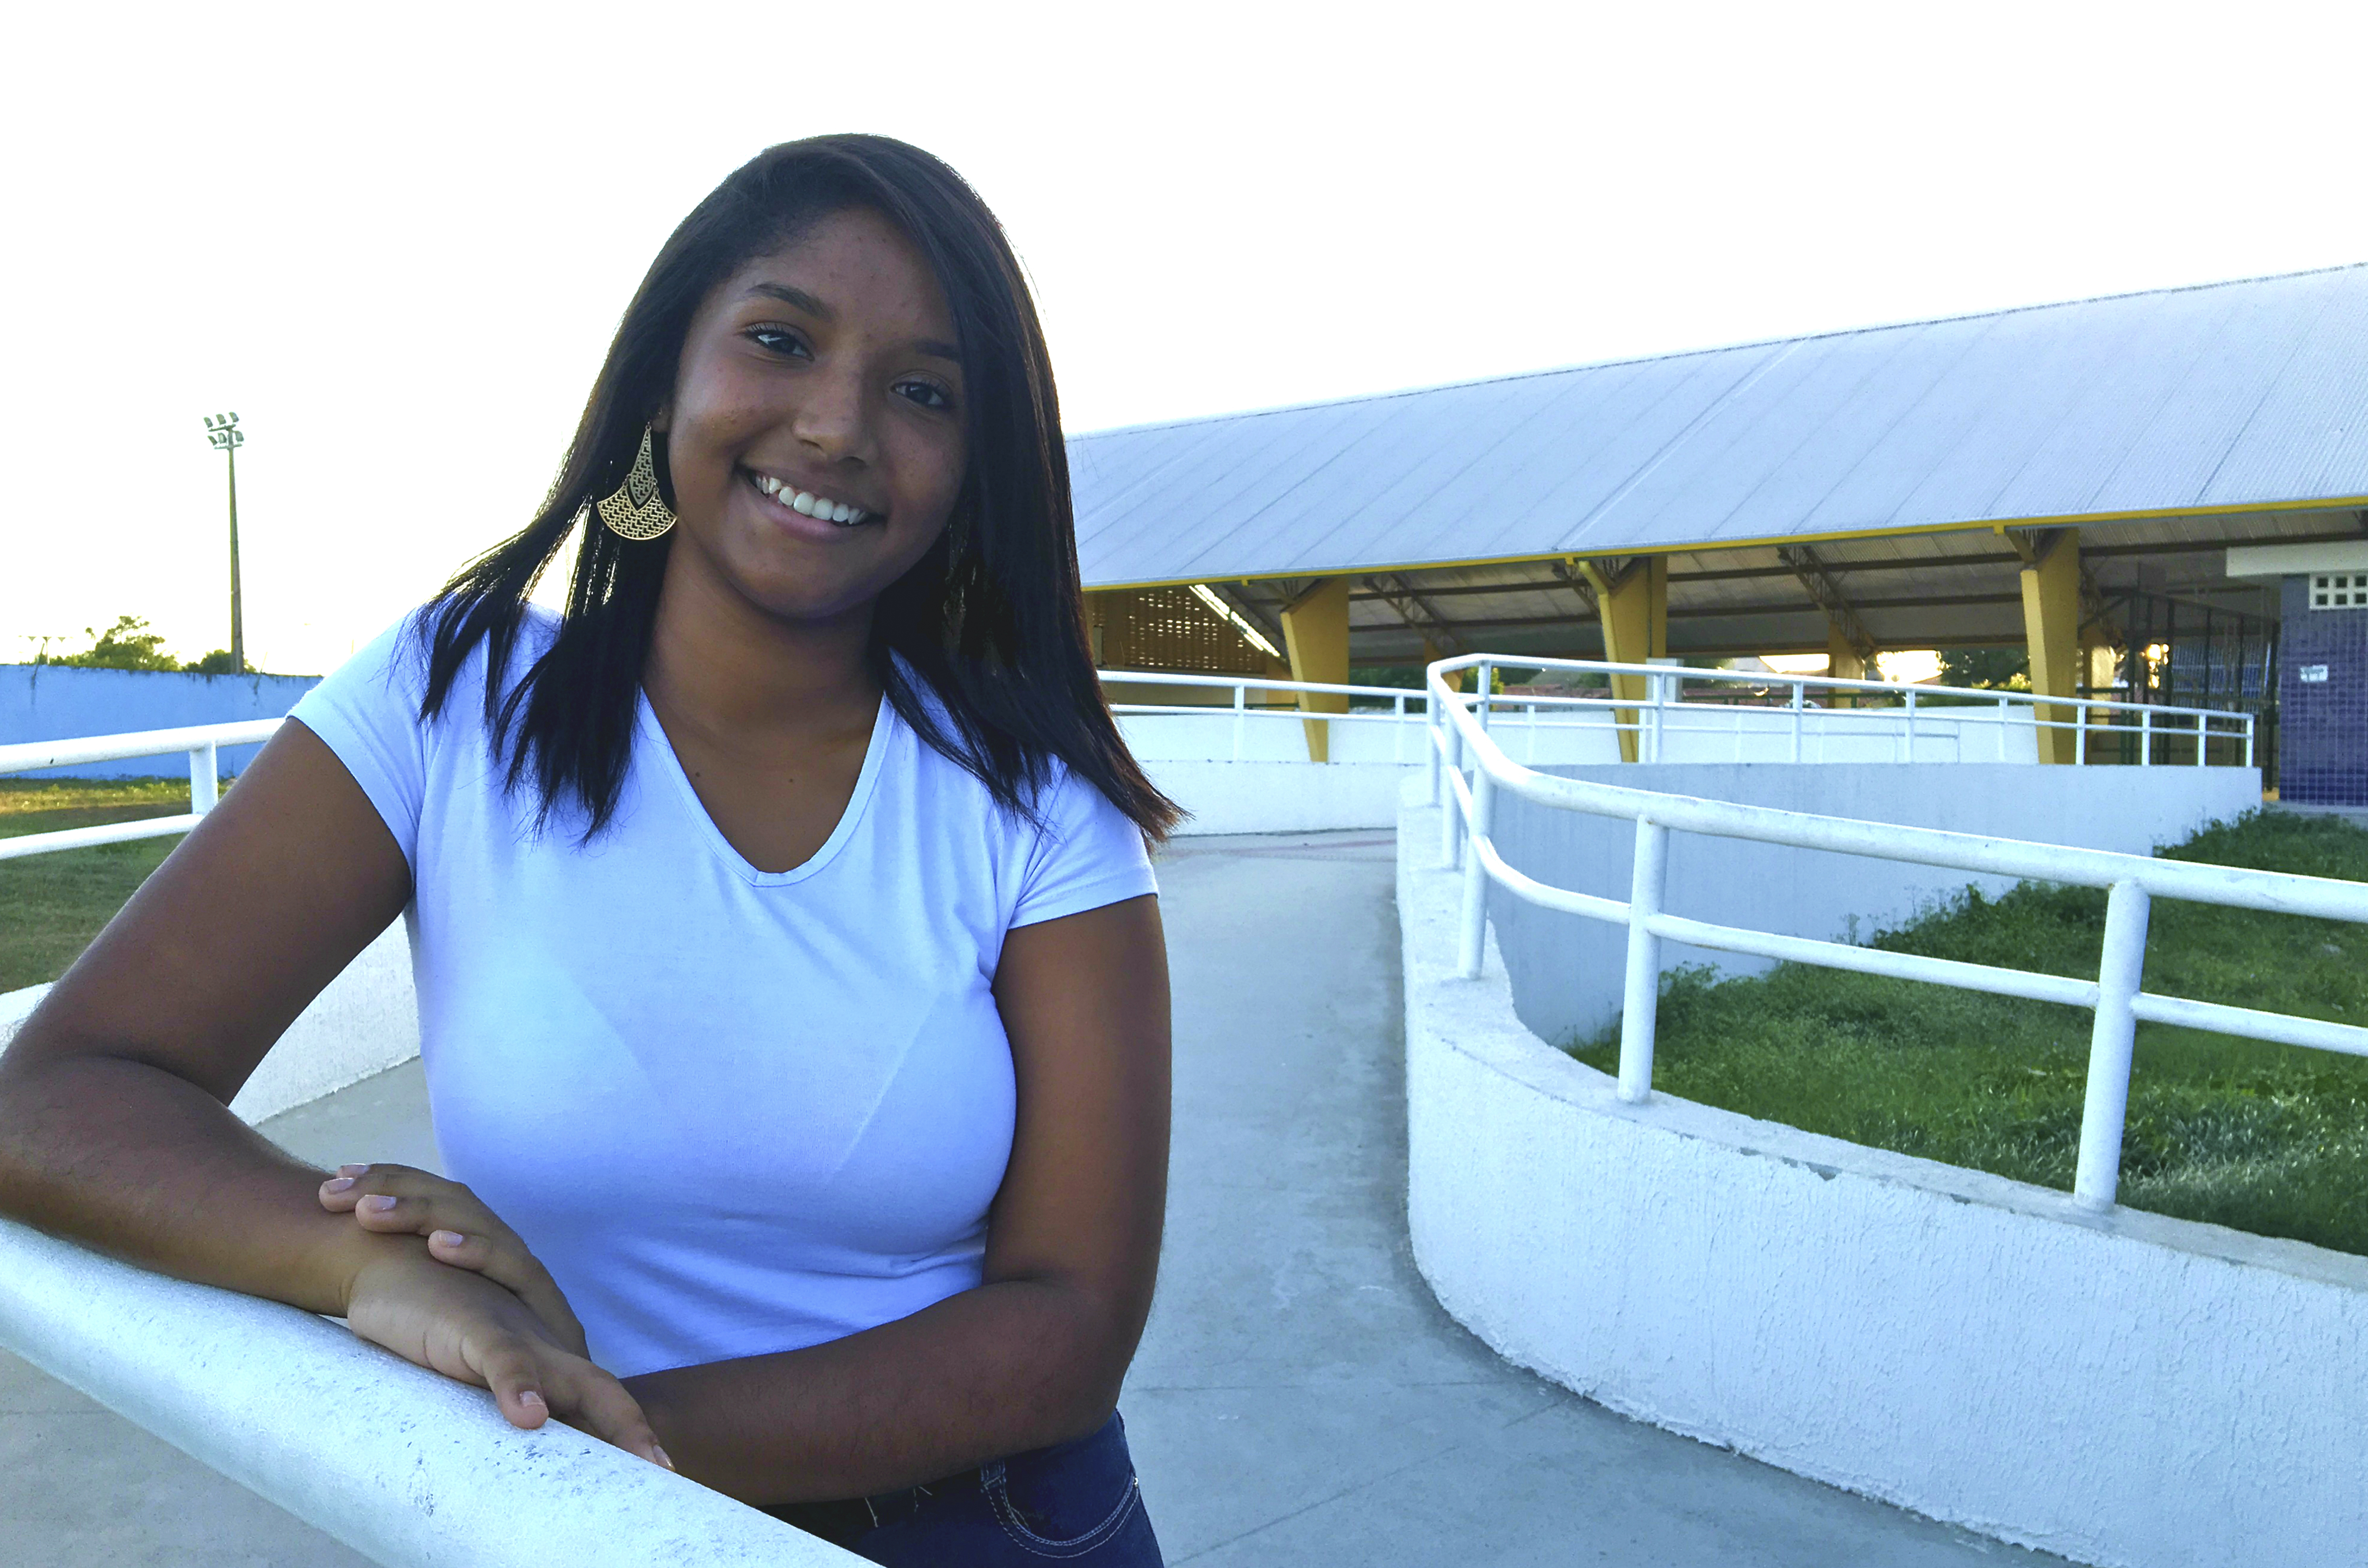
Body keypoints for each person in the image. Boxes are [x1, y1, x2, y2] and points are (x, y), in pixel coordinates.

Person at [0, 135, 1178, 1566]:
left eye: (922, 392)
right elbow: (52, 1099)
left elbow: (1068, 1327)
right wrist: (362, 1268)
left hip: (976, 1525)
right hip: (556, 1507)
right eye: (778, 340)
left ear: (968, 468)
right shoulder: (456, 700)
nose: (834, 425)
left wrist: (607, 1430)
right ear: (663, 379)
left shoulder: (1036, 804)